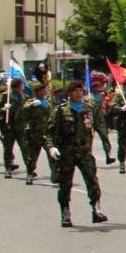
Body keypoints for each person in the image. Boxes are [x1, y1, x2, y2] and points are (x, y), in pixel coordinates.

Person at [44, 80, 107, 227]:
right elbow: (48, 133)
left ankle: (96, 209)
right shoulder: (60, 111)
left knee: (92, 180)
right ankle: (65, 212)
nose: (79, 93)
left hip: (85, 152)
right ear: (69, 93)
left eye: (81, 90)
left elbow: (99, 126)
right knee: (66, 184)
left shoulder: (89, 109)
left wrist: (106, 145)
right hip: (67, 153)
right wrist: (51, 147)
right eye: (75, 91)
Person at [19, 82, 52, 185]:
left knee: (52, 154)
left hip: (46, 134)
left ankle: (55, 175)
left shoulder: (47, 104)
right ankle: (29, 174)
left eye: (44, 90)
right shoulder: (31, 102)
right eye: (41, 90)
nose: (43, 92)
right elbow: (23, 111)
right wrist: (32, 105)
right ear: (36, 92)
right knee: (33, 156)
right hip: (34, 133)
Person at [86, 73, 116, 166]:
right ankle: (88, 157)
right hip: (91, 121)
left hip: (100, 121)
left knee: (105, 138)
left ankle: (108, 156)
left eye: (98, 87)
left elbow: (104, 107)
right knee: (89, 140)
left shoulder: (100, 97)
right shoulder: (88, 98)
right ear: (92, 88)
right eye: (96, 87)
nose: (98, 89)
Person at [0, 76, 25, 177]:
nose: (21, 88)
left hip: (21, 127)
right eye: (19, 86)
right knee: (8, 148)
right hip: (8, 126)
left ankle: (30, 169)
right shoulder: (5, 96)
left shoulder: (24, 97)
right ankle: (8, 168)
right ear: (14, 87)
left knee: (25, 148)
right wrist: (3, 109)